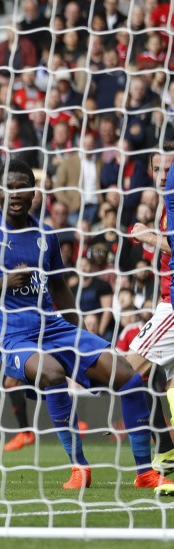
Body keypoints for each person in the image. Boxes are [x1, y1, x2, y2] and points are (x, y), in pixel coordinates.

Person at [0, 158, 173, 494]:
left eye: (24, 187)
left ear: (34, 192)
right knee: (52, 373)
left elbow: (59, 288)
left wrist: (77, 332)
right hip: (14, 336)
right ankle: (79, 467)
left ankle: (145, 472)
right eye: (10, 187)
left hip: (56, 329)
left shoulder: (46, 235)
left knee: (128, 376)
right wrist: (3, 283)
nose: (17, 194)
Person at [128, 148, 174, 473]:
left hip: (171, 306)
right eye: (157, 169)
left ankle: (159, 452)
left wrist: (149, 236)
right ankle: (168, 453)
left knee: (126, 371)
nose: (162, 175)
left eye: (167, 169)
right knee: (171, 384)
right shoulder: (163, 205)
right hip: (165, 299)